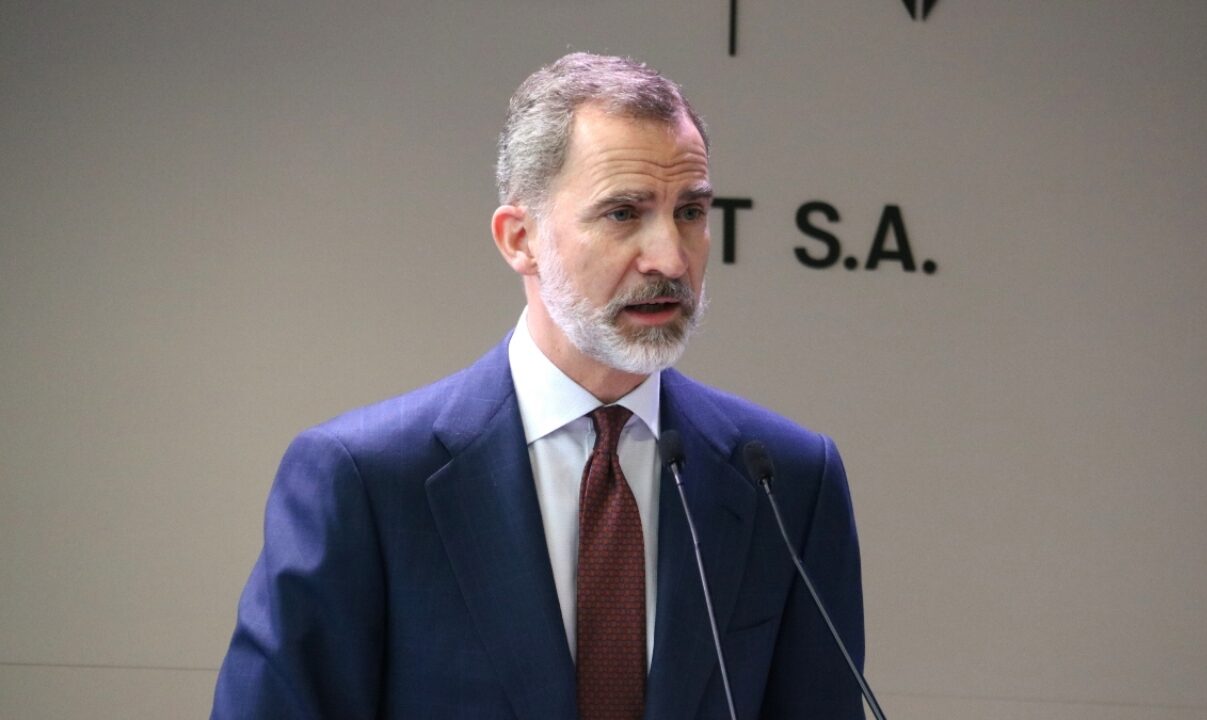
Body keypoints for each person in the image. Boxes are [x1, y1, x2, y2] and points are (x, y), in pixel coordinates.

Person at [212, 52, 866, 720]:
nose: (671, 258)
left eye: (691, 211)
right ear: (520, 239)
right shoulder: (367, 479)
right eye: (623, 213)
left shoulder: (785, 480)